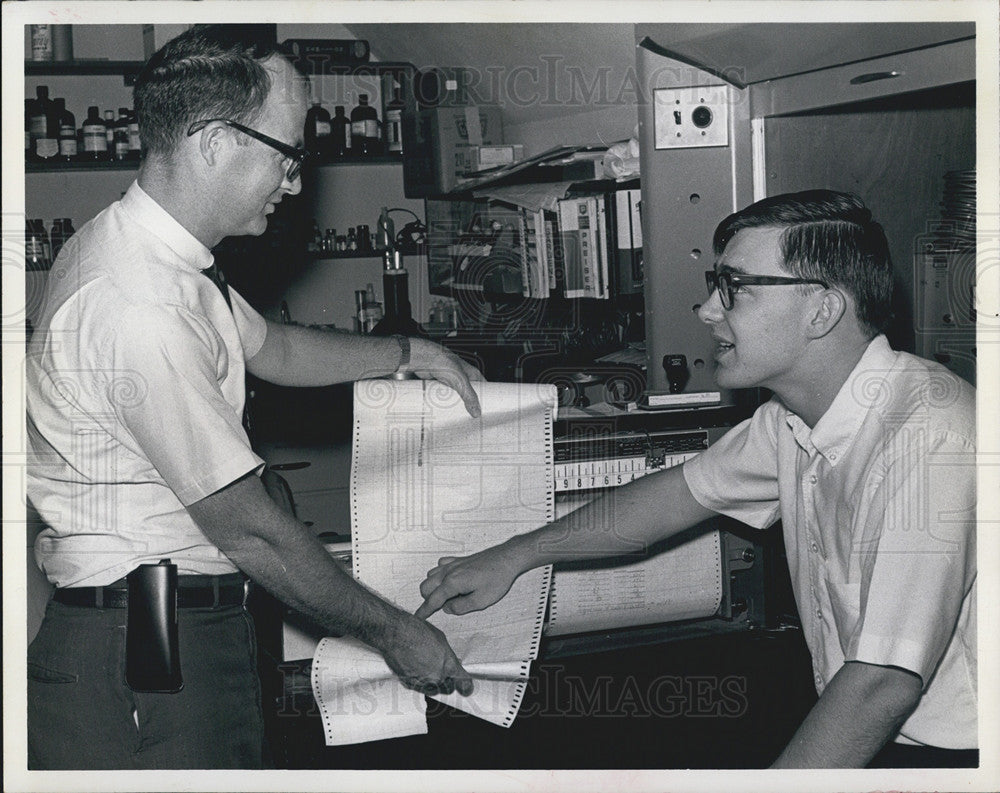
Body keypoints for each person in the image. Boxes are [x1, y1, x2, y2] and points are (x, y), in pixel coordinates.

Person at [26, 25, 480, 770]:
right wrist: (396, 632)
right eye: (287, 152)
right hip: (146, 641)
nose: (295, 180)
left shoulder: (158, 254)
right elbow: (252, 533)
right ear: (211, 141)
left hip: (164, 621)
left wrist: (411, 352)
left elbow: (274, 347)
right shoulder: (141, 304)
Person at [417, 190, 977, 769]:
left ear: (822, 310)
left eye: (734, 288)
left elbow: (883, 682)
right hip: (872, 732)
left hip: (957, 756)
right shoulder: (791, 418)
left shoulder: (929, 439)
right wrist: (514, 556)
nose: (709, 310)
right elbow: (672, 497)